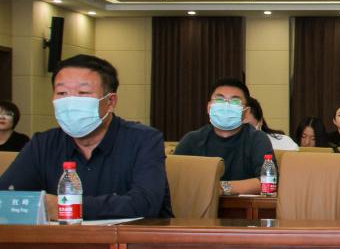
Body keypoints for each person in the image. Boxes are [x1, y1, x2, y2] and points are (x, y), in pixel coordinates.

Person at [0, 55, 172, 219]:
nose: (70, 102)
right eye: (62, 93)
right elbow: (5, 196)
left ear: (110, 102)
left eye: (83, 92)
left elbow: (145, 203)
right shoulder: (43, 143)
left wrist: (66, 207)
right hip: (59, 238)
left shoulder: (144, 139)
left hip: (131, 238)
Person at [174, 78, 275, 196]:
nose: (226, 105)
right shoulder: (192, 140)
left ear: (246, 112)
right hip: (197, 206)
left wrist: (221, 187)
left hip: (244, 206)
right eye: (219, 100)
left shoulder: (257, 139)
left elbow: (267, 182)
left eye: (235, 101)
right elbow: (174, 179)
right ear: (209, 107)